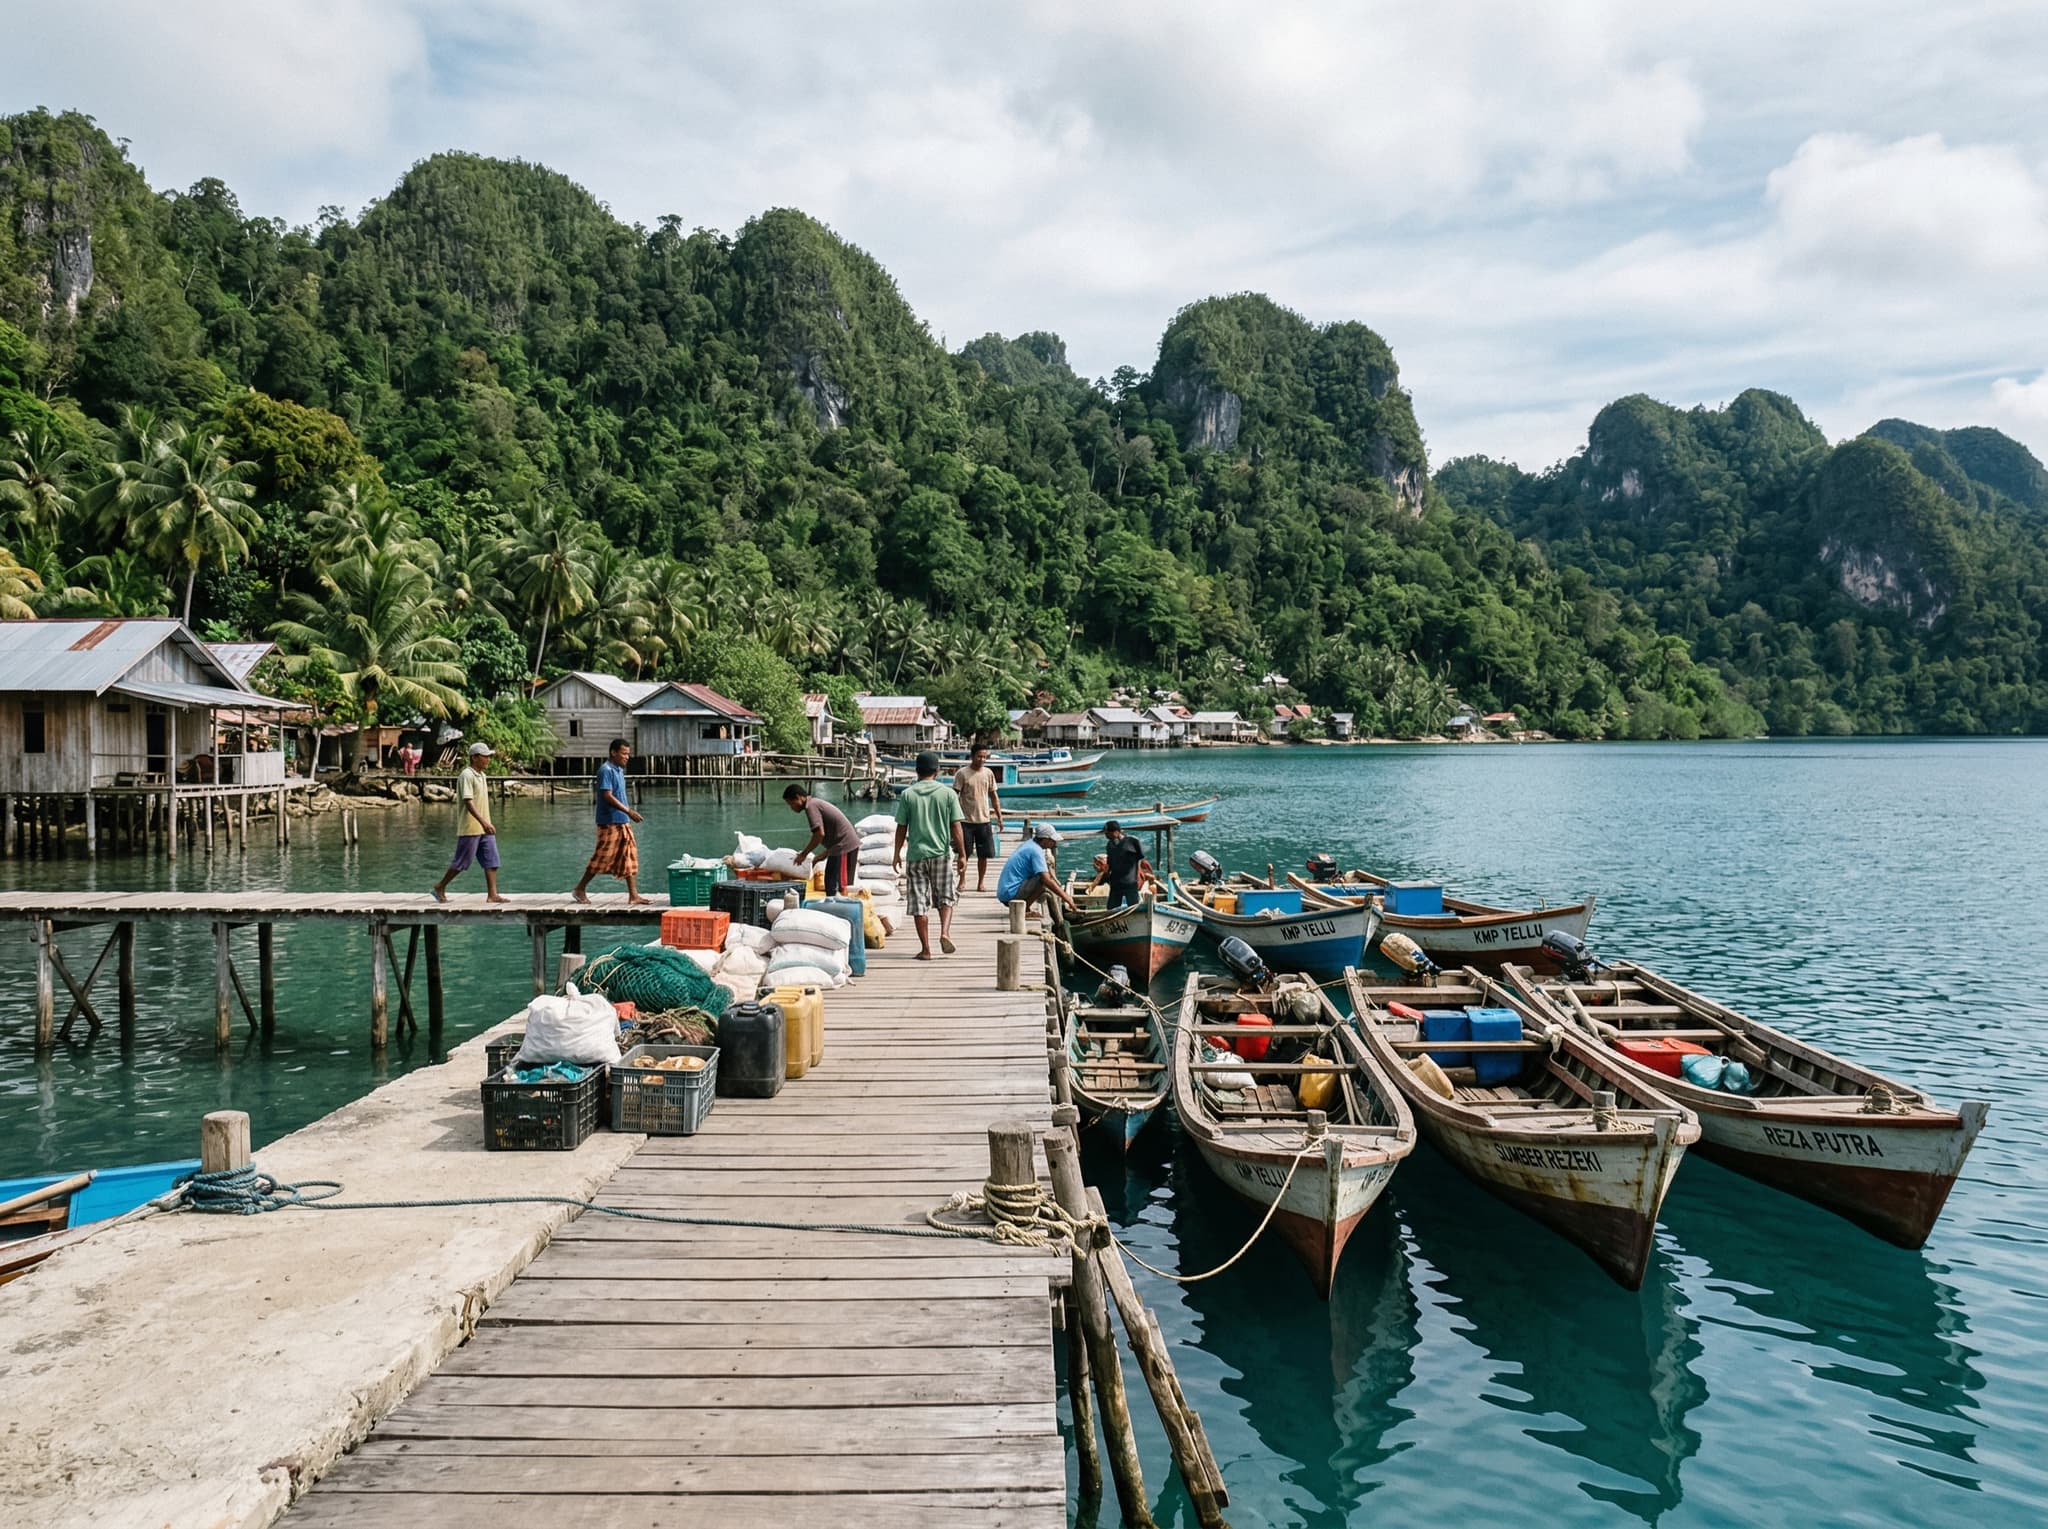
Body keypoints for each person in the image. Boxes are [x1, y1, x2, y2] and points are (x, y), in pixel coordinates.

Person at [892, 750, 966, 959]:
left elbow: (901, 828)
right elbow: (956, 826)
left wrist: (897, 853)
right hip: (941, 854)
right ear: (937, 770)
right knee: (946, 896)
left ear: (917, 771)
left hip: (916, 855)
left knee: (918, 903)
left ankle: (925, 949)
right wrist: (962, 854)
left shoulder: (908, 794)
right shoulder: (948, 794)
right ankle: (945, 932)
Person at [572, 738, 648, 904]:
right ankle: (579, 889)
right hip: (609, 821)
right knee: (602, 857)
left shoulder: (619, 770)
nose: (627, 757)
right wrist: (629, 810)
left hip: (622, 821)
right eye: (624, 753)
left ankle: (633, 895)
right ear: (613, 752)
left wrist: (627, 815)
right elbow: (607, 795)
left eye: (628, 754)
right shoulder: (606, 770)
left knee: (629, 856)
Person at [432, 742, 504, 902]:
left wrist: (486, 823)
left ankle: (492, 894)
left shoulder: (482, 776)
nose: (488, 760)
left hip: (485, 827)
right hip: (471, 827)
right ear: (475, 757)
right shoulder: (467, 775)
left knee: (492, 860)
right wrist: (483, 822)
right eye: (485, 757)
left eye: (488, 757)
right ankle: (440, 886)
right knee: (462, 862)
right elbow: (468, 801)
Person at [785, 782, 862, 895]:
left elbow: (819, 834)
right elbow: (829, 835)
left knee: (838, 885)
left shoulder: (811, 806)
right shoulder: (814, 804)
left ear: (798, 797)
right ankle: (837, 905)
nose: (791, 808)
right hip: (839, 846)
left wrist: (804, 854)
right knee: (832, 883)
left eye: (791, 804)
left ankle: (841, 909)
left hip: (844, 845)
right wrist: (819, 857)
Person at [951, 744, 1006, 892]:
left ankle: (981, 883)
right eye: (979, 756)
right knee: (964, 854)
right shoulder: (962, 773)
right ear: (972, 756)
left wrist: (999, 817)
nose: (982, 759)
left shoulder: (988, 773)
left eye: (985, 757)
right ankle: (962, 881)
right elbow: (954, 796)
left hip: (984, 821)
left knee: (984, 855)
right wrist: (952, 817)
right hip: (965, 821)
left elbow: (994, 797)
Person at [997, 823, 1077, 918]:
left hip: (1005, 893)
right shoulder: (1036, 851)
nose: (1054, 843)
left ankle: (1025, 908)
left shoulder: (1029, 844)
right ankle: (1024, 910)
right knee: (1043, 879)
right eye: (1052, 840)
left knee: (1044, 876)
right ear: (1045, 839)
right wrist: (1067, 898)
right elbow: (1046, 879)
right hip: (1010, 894)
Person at [1086, 819, 1154, 909]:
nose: (1106, 835)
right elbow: (1109, 864)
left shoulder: (1132, 842)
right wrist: (1102, 873)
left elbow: (1139, 859)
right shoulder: (1110, 845)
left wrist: (1138, 875)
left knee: (1133, 908)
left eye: (1108, 833)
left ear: (1117, 832)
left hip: (1130, 883)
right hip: (1115, 883)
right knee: (1111, 908)